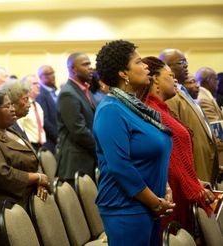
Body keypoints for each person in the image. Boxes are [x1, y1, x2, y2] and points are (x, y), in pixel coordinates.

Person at [93, 40, 175, 245]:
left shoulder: (132, 106)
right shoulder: (110, 110)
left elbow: (151, 154)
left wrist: (163, 186)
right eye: (139, 62)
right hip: (126, 209)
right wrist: (155, 203)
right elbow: (120, 167)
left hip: (147, 205)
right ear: (123, 73)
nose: (146, 66)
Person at [141, 56, 214, 234]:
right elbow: (171, 164)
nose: (175, 80)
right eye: (170, 75)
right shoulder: (152, 112)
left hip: (181, 194)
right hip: (172, 199)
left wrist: (194, 181)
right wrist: (194, 188)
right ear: (155, 79)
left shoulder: (161, 109)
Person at [0, 91, 49, 246]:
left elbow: (33, 160)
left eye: (11, 104)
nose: (12, 109)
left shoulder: (11, 130)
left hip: (25, 204)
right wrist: (36, 178)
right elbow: (1, 174)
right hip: (3, 212)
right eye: (6, 106)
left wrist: (40, 182)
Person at [160, 49, 219, 185]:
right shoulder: (169, 96)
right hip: (194, 170)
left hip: (204, 165)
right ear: (166, 66)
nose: (186, 65)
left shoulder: (181, 90)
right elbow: (176, 139)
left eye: (185, 61)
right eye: (181, 62)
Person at [56, 52, 97, 186]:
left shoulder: (86, 90)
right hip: (75, 164)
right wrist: (101, 149)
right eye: (85, 64)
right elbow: (79, 130)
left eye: (90, 64)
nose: (90, 67)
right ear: (73, 69)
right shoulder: (68, 93)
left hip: (87, 159)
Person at [19, 74, 47, 152]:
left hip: (41, 146)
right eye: (34, 84)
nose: (38, 86)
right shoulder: (22, 106)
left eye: (38, 83)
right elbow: (19, 130)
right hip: (29, 146)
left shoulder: (37, 105)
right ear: (25, 87)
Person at [36, 65, 58, 154]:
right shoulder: (41, 94)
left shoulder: (51, 91)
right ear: (41, 77)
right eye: (48, 74)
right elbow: (44, 120)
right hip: (50, 140)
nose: (52, 76)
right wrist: (57, 137)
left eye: (53, 73)